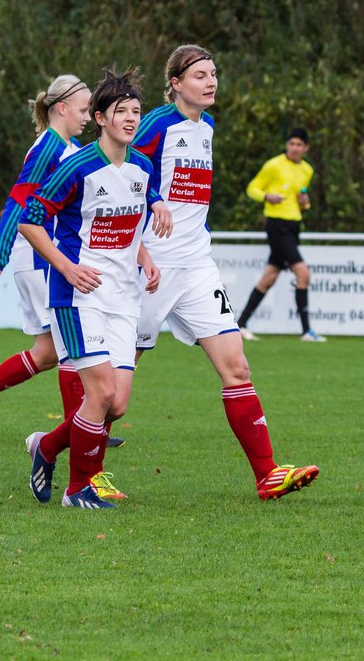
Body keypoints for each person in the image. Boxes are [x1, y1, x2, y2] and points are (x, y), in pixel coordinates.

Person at [132, 44, 319, 501]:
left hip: (197, 265)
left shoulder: (208, 126)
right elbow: (125, 174)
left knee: (237, 366)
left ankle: (267, 473)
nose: (211, 81)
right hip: (151, 266)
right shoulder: (157, 123)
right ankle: (52, 447)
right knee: (115, 393)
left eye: (214, 73)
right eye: (199, 75)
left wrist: (199, 231)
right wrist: (141, 246)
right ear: (176, 83)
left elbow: (192, 199)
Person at [18, 67, 173, 509]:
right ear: (100, 118)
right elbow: (30, 221)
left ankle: (47, 446)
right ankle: (77, 489)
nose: (130, 118)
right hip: (77, 298)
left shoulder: (142, 168)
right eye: (120, 111)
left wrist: (144, 258)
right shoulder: (78, 166)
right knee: (100, 393)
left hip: (124, 299)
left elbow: (131, 223)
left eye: (136, 111)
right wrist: (67, 268)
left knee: (116, 404)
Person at [0, 75, 92, 446]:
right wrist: (0, 253)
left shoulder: (68, 144)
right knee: (69, 347)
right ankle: (80, 429)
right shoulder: (48, 149)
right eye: (85, 108)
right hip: (40, 258)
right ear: (62, 108)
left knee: (46, 353)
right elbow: (19, 203)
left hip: (49, 255)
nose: (89, 116)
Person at [236, 127, 325, 341]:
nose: (294, 148)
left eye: (299, 145)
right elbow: (252, 188)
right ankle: (307, 331)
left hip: (294, 225)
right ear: (287, 145)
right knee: (303, 273)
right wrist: (267, 196)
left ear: (306, 148)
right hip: (277, 225)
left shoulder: (307, 170)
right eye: (291, 143)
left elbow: (302, 200)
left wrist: (305, 204)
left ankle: (240, 325)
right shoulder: (274, 165)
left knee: (268, 278)